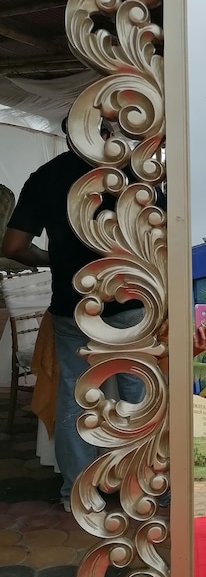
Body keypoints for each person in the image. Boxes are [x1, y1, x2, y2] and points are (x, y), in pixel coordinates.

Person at [2, 116, 150, 511]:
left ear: (67, 134)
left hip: (73, 306)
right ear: (104, 131)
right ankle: (140, 487)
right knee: (137, 393)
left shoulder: (45, 176)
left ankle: (78, 494)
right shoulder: (133, 171)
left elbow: (13, 246)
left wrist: (55, 259)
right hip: (130, 300)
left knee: (74, 397)